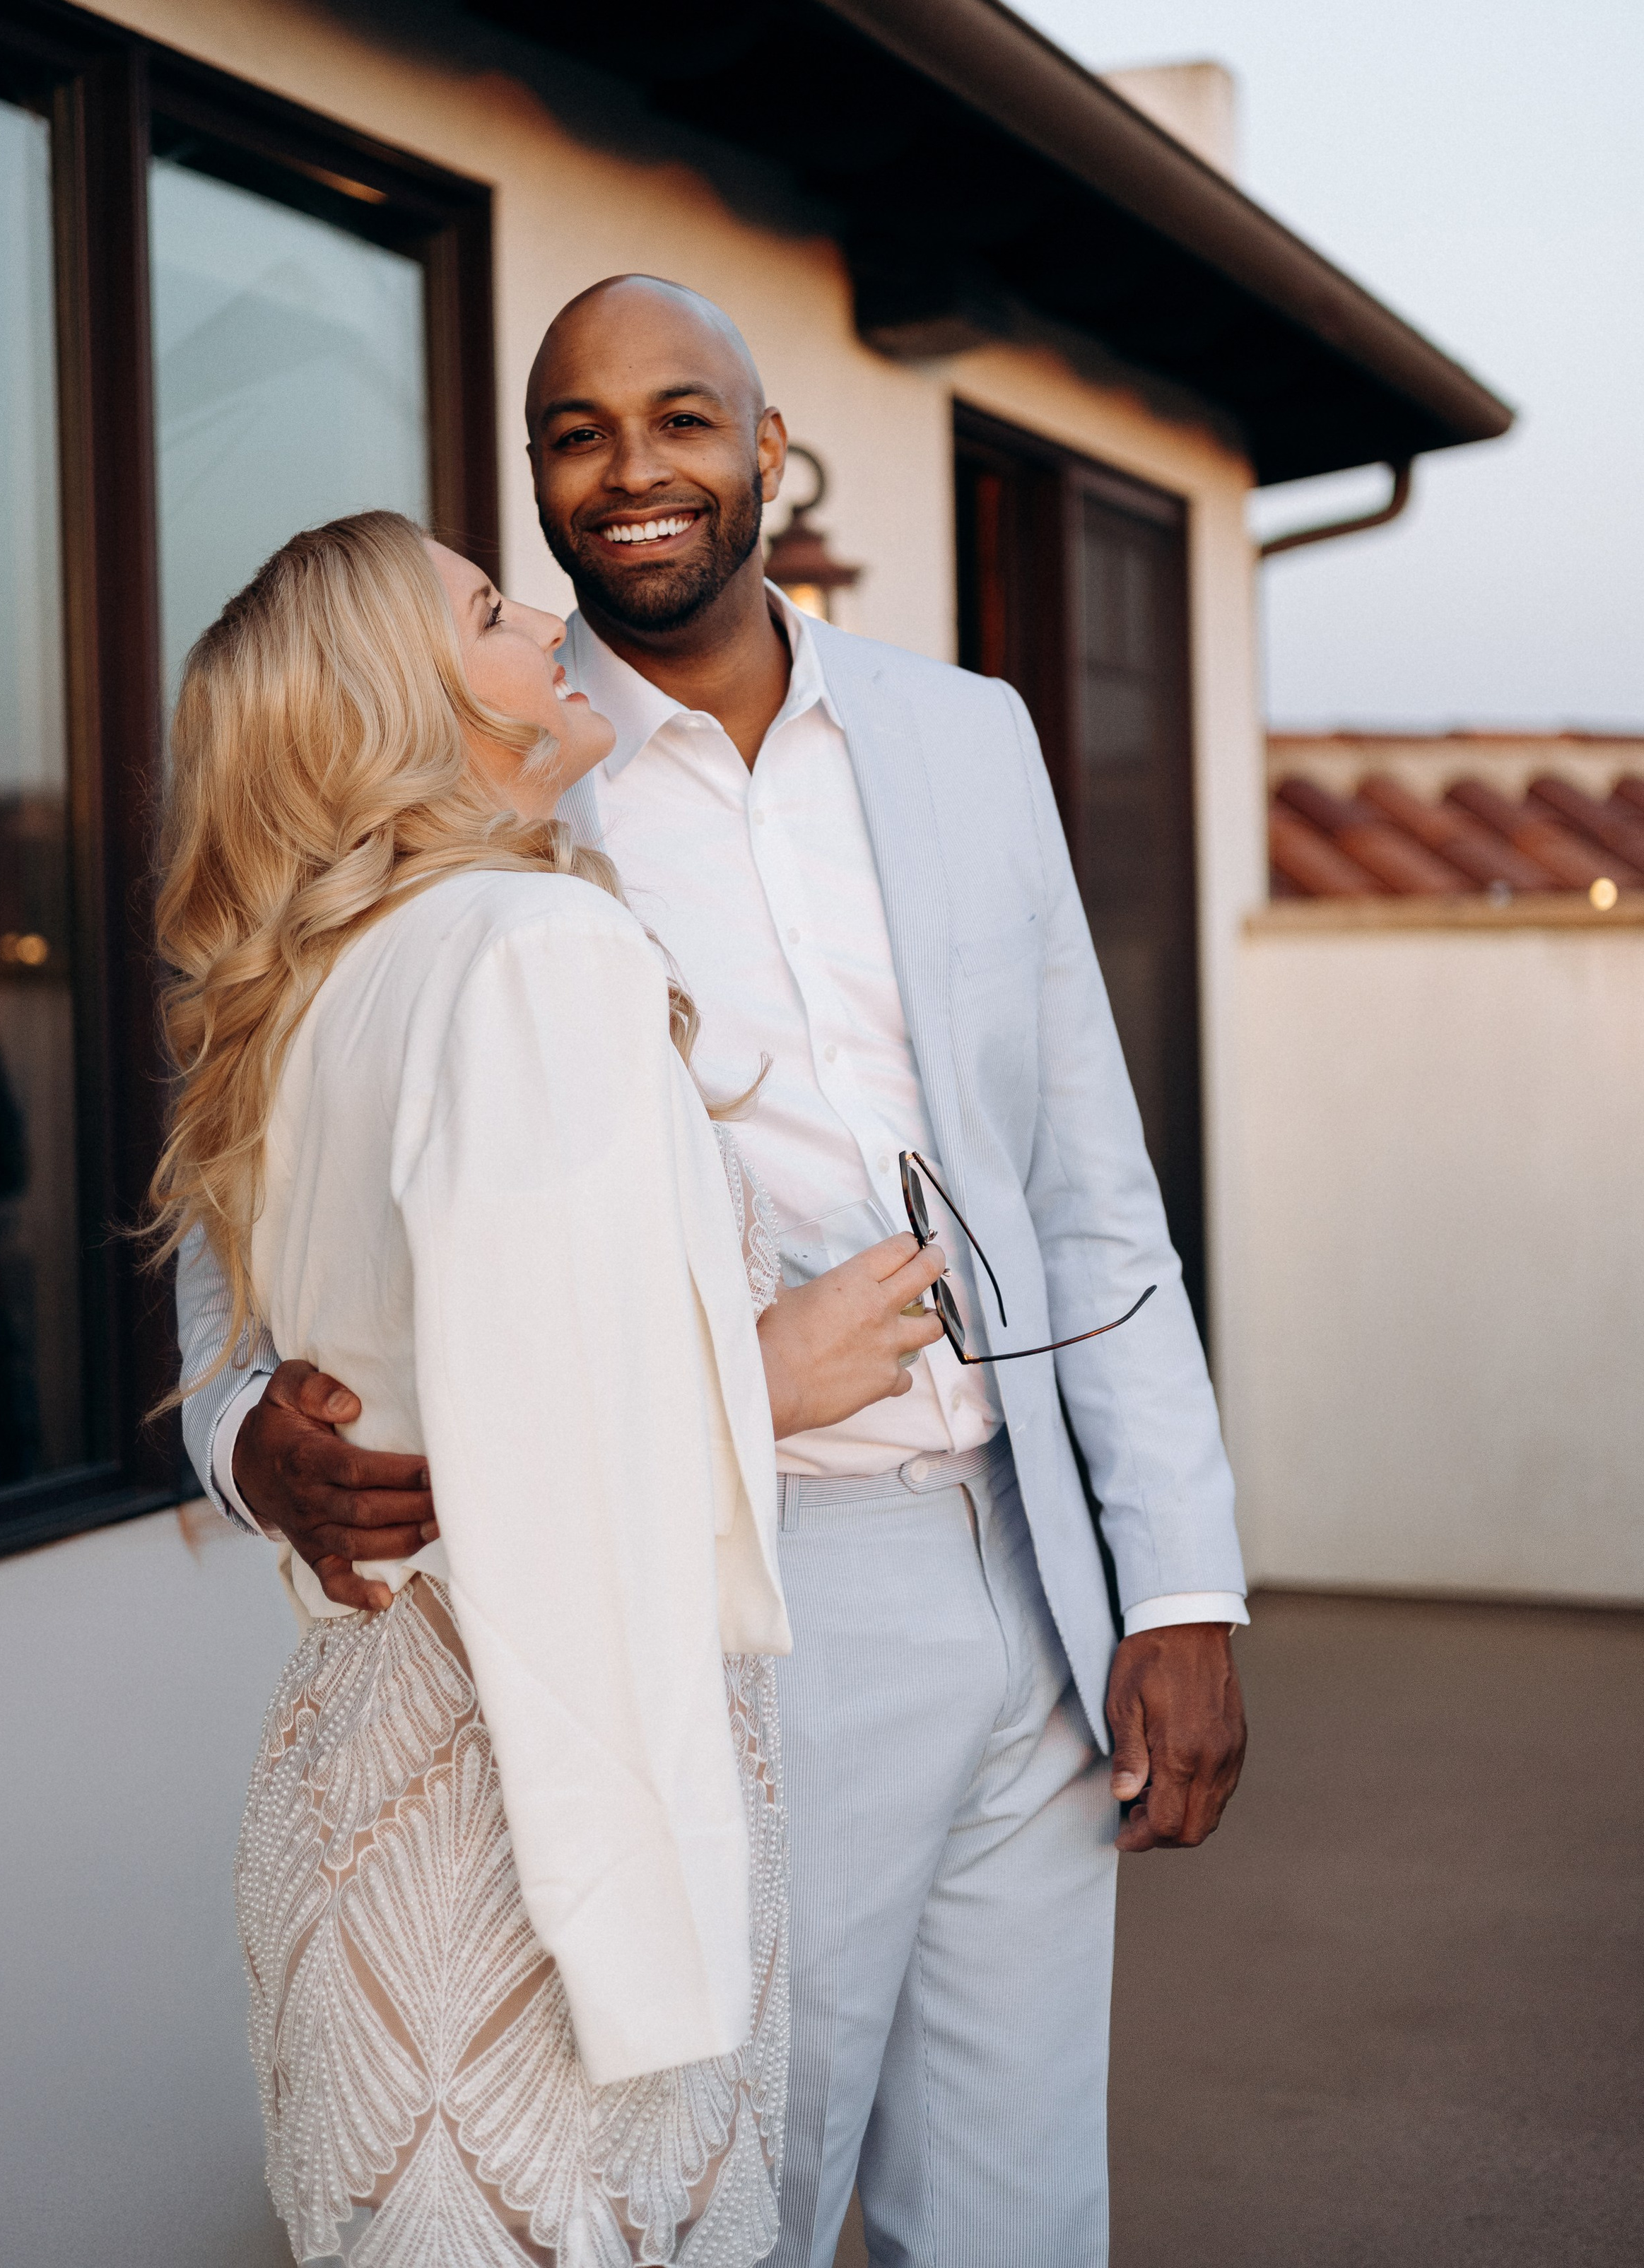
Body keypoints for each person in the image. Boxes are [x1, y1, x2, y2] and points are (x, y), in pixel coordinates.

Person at [179, 282, 1250, 2268]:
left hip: (1031, 1566)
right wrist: (252, 1432)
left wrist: (1177, 1580)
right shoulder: (490, 775)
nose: (630, 470)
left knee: (1020, 2214)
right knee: (734, 2191)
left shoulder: (968, 735)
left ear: (767, 449)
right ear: (535, 480)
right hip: (740, 1587)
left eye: (681, 417)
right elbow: (258, 1196)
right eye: (574, 434)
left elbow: (1089, 1182)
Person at [153, 509, 938, 2267]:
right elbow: (546, 1447)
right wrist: (765, 1379)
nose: (548, 627)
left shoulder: (321, 989)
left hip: (365, 1783)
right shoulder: (534, 952)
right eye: (493, 618)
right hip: (533, 1837)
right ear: (410, 713)